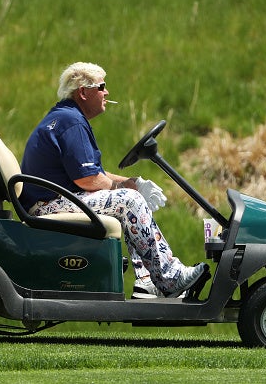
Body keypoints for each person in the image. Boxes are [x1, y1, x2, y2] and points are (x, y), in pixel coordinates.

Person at [19, 62, 207, 298]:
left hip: (56, 200)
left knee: (130, 197)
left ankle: (147, 280)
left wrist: (132, 182)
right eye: (102, 87)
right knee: (129, 202)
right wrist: (126, 189)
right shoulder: (72, 122)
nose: (106, 92)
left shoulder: (67, 117)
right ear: (83, 92)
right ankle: (170, 278)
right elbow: (88, 180)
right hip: (49, 206)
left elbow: (94, 173)